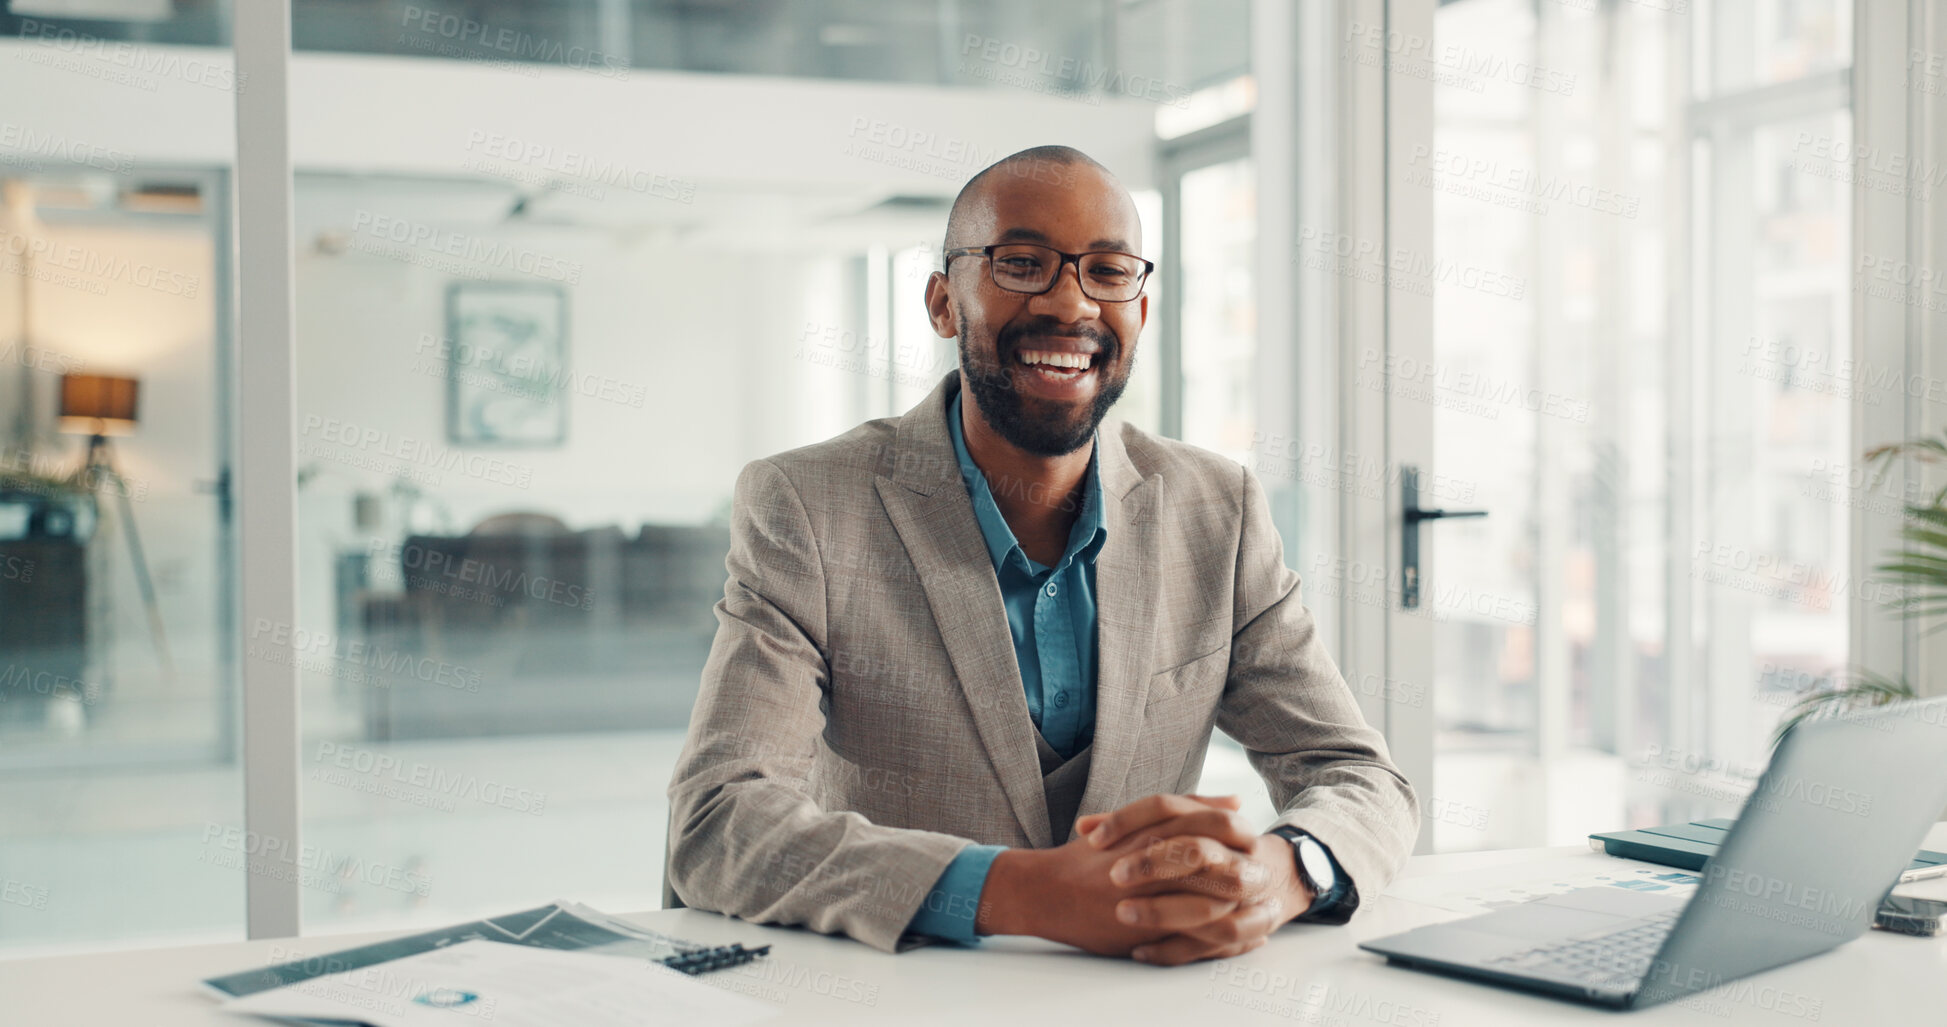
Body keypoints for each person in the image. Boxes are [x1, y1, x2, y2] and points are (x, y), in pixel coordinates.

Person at [667, 145, 1417, 966]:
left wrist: (1284, 870)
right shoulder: (809, 506)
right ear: (943, 302)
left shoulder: (1218, 509)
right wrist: (1023, 892)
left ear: (1140, 304)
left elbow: (1358, 775)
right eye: (1021, 264)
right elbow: (715, 821)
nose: (1070, 304)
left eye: (1107, 270)